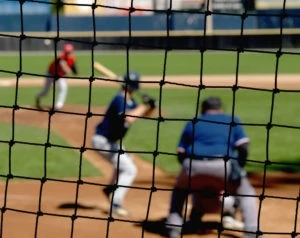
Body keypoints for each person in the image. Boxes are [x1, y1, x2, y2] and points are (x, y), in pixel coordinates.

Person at [166, 96, 260, 238]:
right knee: (246, 194)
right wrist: (238, 169)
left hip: (192, 164)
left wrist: (191, 173)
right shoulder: (232, 119)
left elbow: (180, 153)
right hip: (222, 164)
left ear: (203, 109)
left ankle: (174, 227)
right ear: (221, 109)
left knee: (179, 191)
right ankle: (252, 232)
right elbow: (244, 148)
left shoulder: (193, 122)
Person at [91, 71, 156, 217]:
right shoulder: (119, 100)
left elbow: (143, 114)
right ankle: (116, 203)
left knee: (126, 161)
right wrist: (145, 104)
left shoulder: (131, 102)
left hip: (111, 142)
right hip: (103, 141)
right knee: (130, 170)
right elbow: (129, 118)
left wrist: (151, 106)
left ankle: (109, 189)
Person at [35, 43, 78, 110]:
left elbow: (74, 71)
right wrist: (67, 69)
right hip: (50, 74)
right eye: (67, 52)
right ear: (64, 52)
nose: (68, 53)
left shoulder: (72, 59)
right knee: (45, 92)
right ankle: (38, 96)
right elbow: (62, 64)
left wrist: (73, 70)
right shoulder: (60, 57)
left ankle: (58, 106)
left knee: (63, 88)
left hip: (59, 76)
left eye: (69, 52)